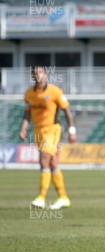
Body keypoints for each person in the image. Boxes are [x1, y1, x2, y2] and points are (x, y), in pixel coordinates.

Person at [20, 66, 76, 210]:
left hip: (52, 129)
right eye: (35, 74)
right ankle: (63, 197)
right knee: (52, 163)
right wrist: (23, 128)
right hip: (38, 130)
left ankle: (41, 197)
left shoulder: (55, 92)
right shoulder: (28, 94)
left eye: (40, 73)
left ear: (45, 75)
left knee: (44, 159)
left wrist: (71, 130)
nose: (38, 76)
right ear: (33, 77)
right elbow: (27, 113)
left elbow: (67, 111)